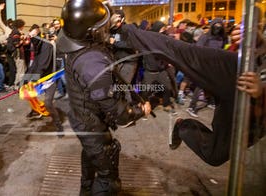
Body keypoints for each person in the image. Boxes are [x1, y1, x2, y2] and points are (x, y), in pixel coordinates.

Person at [110, 9, 265, 166]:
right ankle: (124, 28)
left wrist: (262, 91)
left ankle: (182, 126)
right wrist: (258, 42)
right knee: (179, 51)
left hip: (257, 109)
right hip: (242, 75)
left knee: (215, 155)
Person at [57, 0, 151, 194]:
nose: (106, 27)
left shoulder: (74, 41)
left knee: (91, 158)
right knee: (108, 180)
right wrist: (139, 111)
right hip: (91, 124)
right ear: (90, 31)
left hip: (82, 118)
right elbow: (118, 112)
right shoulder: (92, 61)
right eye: (102, 25)